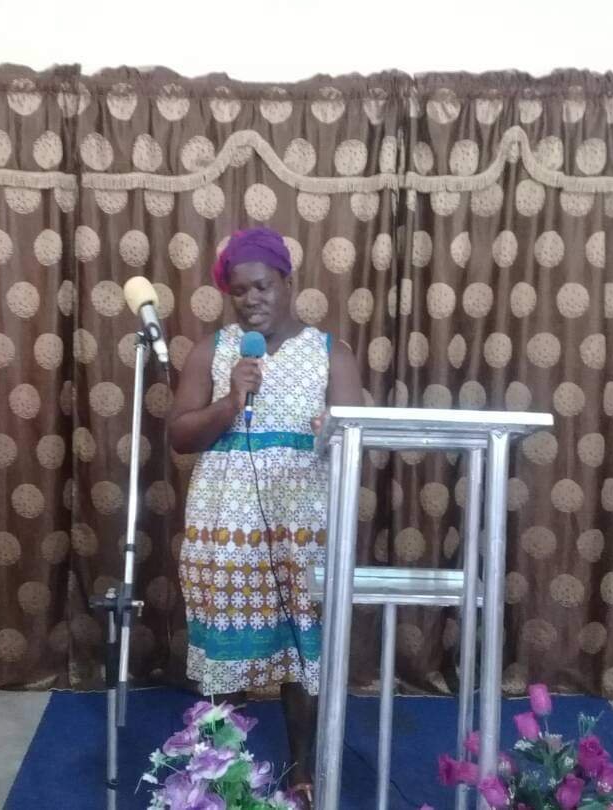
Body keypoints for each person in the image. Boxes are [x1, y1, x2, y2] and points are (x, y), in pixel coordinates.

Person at [168, 227, 364, 804]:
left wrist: (334, 431)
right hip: (223, 527)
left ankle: (302, 770)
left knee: (302, 650)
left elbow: (359, 437)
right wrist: (231, 402)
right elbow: (179, 435)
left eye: (261, 286)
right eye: (239, 291)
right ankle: (219, 772)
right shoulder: (212, 351)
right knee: (223, 651)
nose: (251, 300)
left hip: (301, 525)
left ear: (287, 282)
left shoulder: (332, 352)